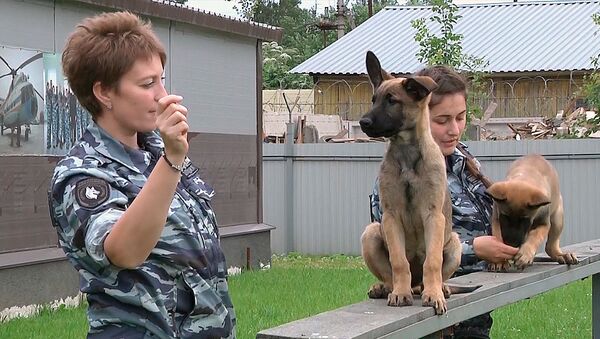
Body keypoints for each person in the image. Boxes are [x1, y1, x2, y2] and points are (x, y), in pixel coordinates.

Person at [48, 11, 235, 338]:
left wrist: (169, 158)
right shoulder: (83, 172)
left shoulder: (156, 152)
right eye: (147, 84)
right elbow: (123, 250)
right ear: (104, 93)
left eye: (161, 79)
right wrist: (172, 161)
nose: (162, 95)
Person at [369, 65, 519, 339]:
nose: (455, 130)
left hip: (472, 316)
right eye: (443, 120)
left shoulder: (468, 162)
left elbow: (489, 218)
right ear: (421, 110)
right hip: (421, 317)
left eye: (461, 118)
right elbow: (388, 231)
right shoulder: (392, 171)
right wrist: (474, 248)